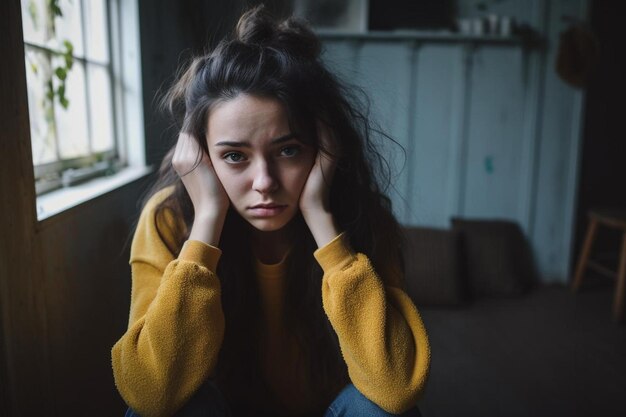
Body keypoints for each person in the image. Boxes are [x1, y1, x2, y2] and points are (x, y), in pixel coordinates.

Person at [111, 5, 430, 417]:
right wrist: (207, 221)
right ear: (200, 158)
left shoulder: (362, 217)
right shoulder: (171, 219)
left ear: (324, 148)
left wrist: (322, 222)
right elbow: (150, 395)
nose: (264, 181)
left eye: (288, 150)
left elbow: (398, 388)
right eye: (234, 157)